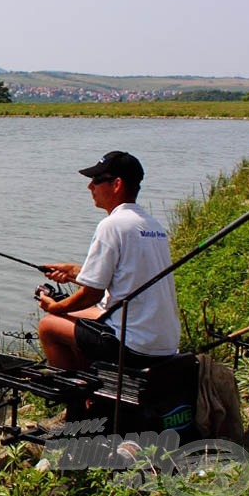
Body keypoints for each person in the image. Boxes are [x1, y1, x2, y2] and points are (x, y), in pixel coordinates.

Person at [37, 151, 180, 371]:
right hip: (164, 343)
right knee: (75, 316)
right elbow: (122, 275)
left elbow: (91, 294)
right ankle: (94, 388)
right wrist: (73, 271)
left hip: (134, 345)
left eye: (96, 181)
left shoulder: (112, 225)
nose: (90, 187)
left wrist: (56, 307)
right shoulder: (152, 225)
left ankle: (76, 399)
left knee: (48, 326)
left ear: (117, 184)